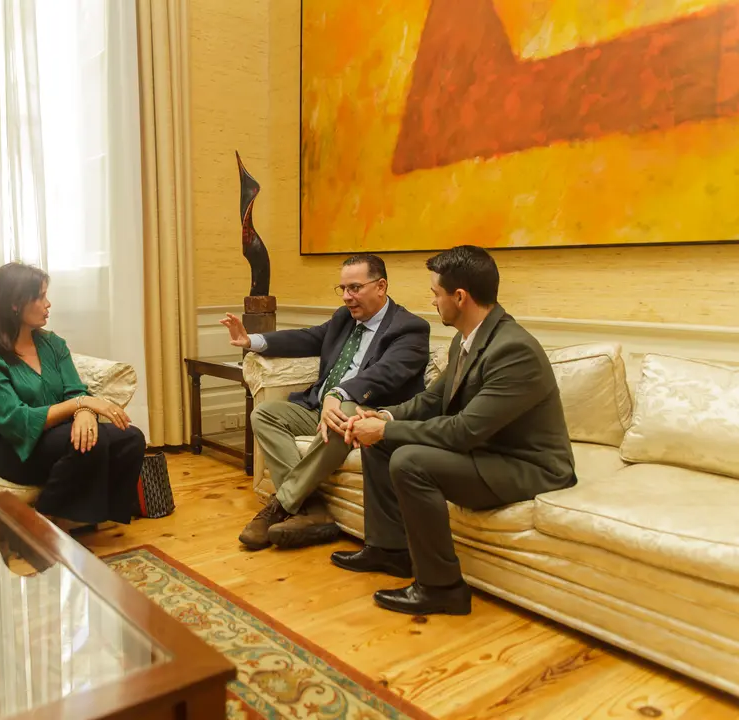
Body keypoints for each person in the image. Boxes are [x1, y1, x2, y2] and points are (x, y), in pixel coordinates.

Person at [335, 245, 575, 616]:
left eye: (435, 293)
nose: (432, 302)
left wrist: (385, 432)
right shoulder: (467, 339)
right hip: (489, 451)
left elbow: (463, 432)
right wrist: (383, 417)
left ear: (459, 297)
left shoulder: (513, 350)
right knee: (384, 444)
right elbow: (431, 401)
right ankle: (390, 550)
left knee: (410, 460)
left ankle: (442, 587)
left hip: (528, 467)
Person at [221, 254, 430, 550]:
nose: (347, 297)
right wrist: (251, 341)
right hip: (317, 408)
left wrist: (339, 393)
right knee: (265, 414)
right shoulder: (344, 318)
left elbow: (386, 375)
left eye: (355, 288)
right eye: (343, 289)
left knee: (342, 414)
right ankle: (313, 509)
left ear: (381, 286)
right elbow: (308, 338)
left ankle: (280, 505)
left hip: (364, 411)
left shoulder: (410, 328)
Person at [0, 262, 144, 526]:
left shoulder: (52, 344)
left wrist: (83, 411)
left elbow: (74, 390)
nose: (48, 304)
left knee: (131, 437)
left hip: (50, 433)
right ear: (15, 303)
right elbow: (16, 421)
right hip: (3, 444)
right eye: (40, 297)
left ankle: (99, 517)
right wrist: (80, 405)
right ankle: (42, 521)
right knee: (88, 442)